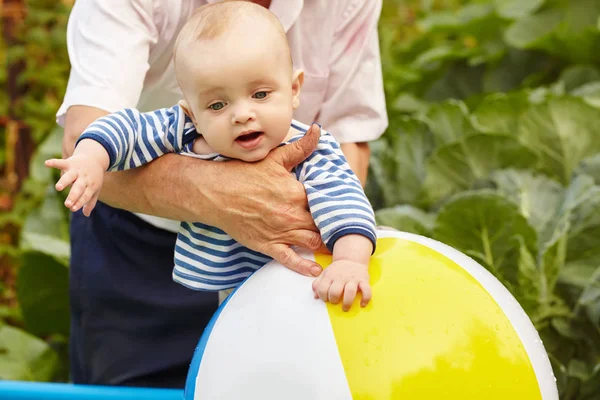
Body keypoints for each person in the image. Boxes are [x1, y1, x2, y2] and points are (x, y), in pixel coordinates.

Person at [57, 0, 387, 388]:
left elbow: (346, 195)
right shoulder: (183, 129)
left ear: (295, 89)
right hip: (139, 238)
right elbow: (115, 131)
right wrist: (92, 157)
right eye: (218, 104)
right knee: (137, 387)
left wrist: (347, 260)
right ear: (193, 113)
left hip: (286, 273)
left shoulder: (313, 150)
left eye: (261, 95)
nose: (242, 114)